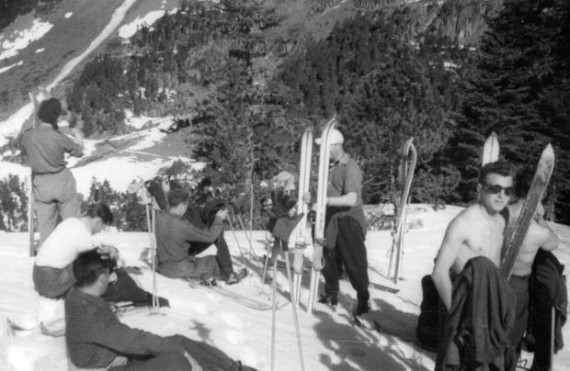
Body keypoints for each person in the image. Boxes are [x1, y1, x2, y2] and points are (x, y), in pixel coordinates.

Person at [66, 249, 257, 370]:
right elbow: (133, 340)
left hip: (114, 357)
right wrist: (176, 350)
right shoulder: (90, 313)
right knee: (176, 362)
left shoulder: (78, 294)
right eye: (108, 275)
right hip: (108, 366)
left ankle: (232, 368)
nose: (111, 279)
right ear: (100, 278)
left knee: (179, 342)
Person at [432, 160, 517, 370]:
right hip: (462, 305)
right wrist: (457, 314)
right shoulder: (464, 223)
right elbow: (439, 273)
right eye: (495, 188)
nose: (501, 195)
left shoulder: (499, 221)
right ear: (480, 189)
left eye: (507, 190)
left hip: (487, 309)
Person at [33, 203, 167, 332]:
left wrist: (110, 252)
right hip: (52, 280)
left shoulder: (72, 222)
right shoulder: (82, 234)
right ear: (98, 221)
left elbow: (88, 250)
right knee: (104, 277)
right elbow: (94, 263)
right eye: (102, 228)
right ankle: (135, 296)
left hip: (40, 275)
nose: (99, 232)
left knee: (97, 266)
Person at [311, 128, 370, 316]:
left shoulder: (350, 168)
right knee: (328, 257)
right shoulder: (327, 167)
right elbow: (323, 193)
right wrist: (311, 199)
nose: (322, 152)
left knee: (354, 262)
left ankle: (363, 299)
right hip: (331, 219)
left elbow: (351, 199)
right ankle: (331, 294)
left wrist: (325, 202)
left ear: (335, 145)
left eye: (325, 147)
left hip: (349, 220)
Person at [505, 170, 560, 371]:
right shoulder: (537, 229)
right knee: (512, 334)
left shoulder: (502, 212)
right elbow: (553, 243)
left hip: (493, 277)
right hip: (517, 284)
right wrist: (541, 218)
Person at [21, 97, 85, 245]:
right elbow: (78, 152)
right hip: (61, 181)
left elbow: (25, 128)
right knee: (72, 223)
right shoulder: (59, 138)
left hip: (41, 184)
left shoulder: (28, 136)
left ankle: (48, 259)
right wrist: (78, 136)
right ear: (56, 116)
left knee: (46, 228)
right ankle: (73, 256)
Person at [156, 187, 245, 284]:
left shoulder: (160, 217)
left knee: (194, 251)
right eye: (185, 206)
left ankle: (197, 276)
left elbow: (163, 205)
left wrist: (165, 191)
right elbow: (210, 236)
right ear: (181, 206)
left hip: (162, 265)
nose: (185, 210)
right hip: (177, 268)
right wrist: (218, 218)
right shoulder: (182, 226)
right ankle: (228, 277)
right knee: (213, 262)